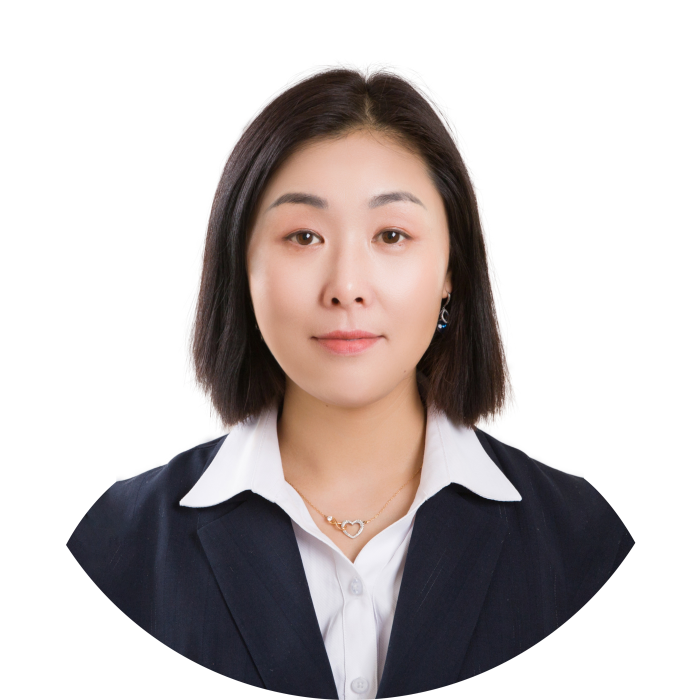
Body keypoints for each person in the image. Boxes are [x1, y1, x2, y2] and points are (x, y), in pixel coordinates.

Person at [67, 68, 634, 698]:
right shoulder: (121, 546)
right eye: (303, 236)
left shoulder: (580, 542)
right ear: (242, 266)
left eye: (391, 235)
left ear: (452, 272)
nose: (346, 286)